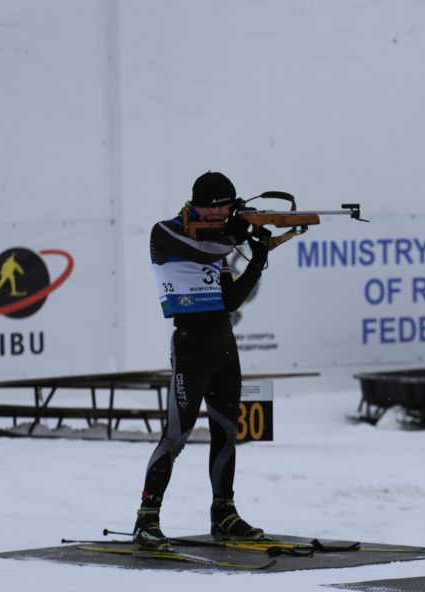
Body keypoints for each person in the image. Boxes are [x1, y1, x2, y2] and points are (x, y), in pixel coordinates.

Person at [133, 171, 270, 550]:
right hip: (191, 345)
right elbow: (207, 251)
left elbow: (229, 301)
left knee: (227, 431)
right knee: (176, 435)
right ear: (208, 207)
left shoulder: (219, 241)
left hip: (223, 343)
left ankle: (223, 512)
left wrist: (257, 261)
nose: (228, 211)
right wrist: (238, 234)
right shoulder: (167, 232)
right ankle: (147, 518)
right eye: (225, 206)